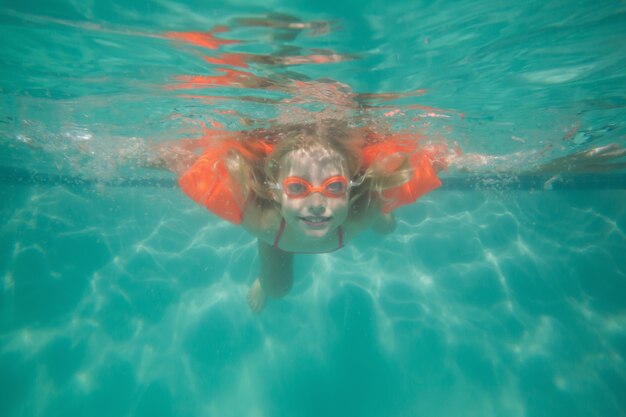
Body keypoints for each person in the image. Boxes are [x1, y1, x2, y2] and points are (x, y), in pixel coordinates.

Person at [148, 119, 451, 313]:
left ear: (350, 187)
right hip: (277, 238)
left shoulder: (360, 212)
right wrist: (162, 159)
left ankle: (378, 215)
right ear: (276, 192)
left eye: (334, 187)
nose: (317, 203)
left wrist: (443, 159)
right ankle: (263, 275)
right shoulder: (262, 221)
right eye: (297, 187)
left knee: (384, 220)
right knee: (277, 290)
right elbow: (193, 170)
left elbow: (399, 177)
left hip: (350, 216)